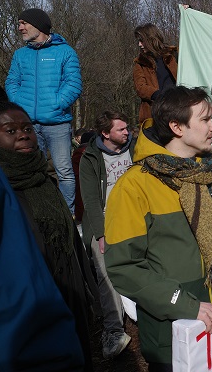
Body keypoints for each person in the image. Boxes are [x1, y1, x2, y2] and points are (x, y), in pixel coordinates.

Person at [104, 86, 212, 370]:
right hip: (171, 336)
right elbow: (124, 267)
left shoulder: (209, 175)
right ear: (177, 127)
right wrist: (187, 305)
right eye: (205, 119)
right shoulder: (133, 186)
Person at [0, 101, 95, 370]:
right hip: (28, 311)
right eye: (10, 131)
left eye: (27, 128)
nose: (23, 134)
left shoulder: (45, 181)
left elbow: (72, 243)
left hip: (69, 298)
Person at [5, 8, 82, 214]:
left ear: (38, 25)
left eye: (23, 23)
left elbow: (74, 84)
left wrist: (56, 103)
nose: (20, 27)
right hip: (28, 125)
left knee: (64, 171)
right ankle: (39, 212)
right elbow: (12, 82)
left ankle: (67, 214)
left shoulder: (65, 52)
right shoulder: (20, 54)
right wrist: (19, 105)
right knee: (33, 171)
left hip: (58, 123)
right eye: (19, 23)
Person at [79, 110, 135, 359]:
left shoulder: (136, 148)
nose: (127, 132)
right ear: (105, 133)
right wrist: (100, 235)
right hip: (104, 221)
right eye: (121, 129)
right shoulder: (89, 157)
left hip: (136, 217)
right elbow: (90, 200)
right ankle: (113, 331)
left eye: (127, 128)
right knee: (105, 270)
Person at [133, 23, 178, 123]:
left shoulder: (173, 55)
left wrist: (188, 10)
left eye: (142, 40)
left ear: (151, 39)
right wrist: (158, 95)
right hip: (155, 114)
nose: (139, 44)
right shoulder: (140, 63)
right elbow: (140, 87)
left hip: (178, 109)